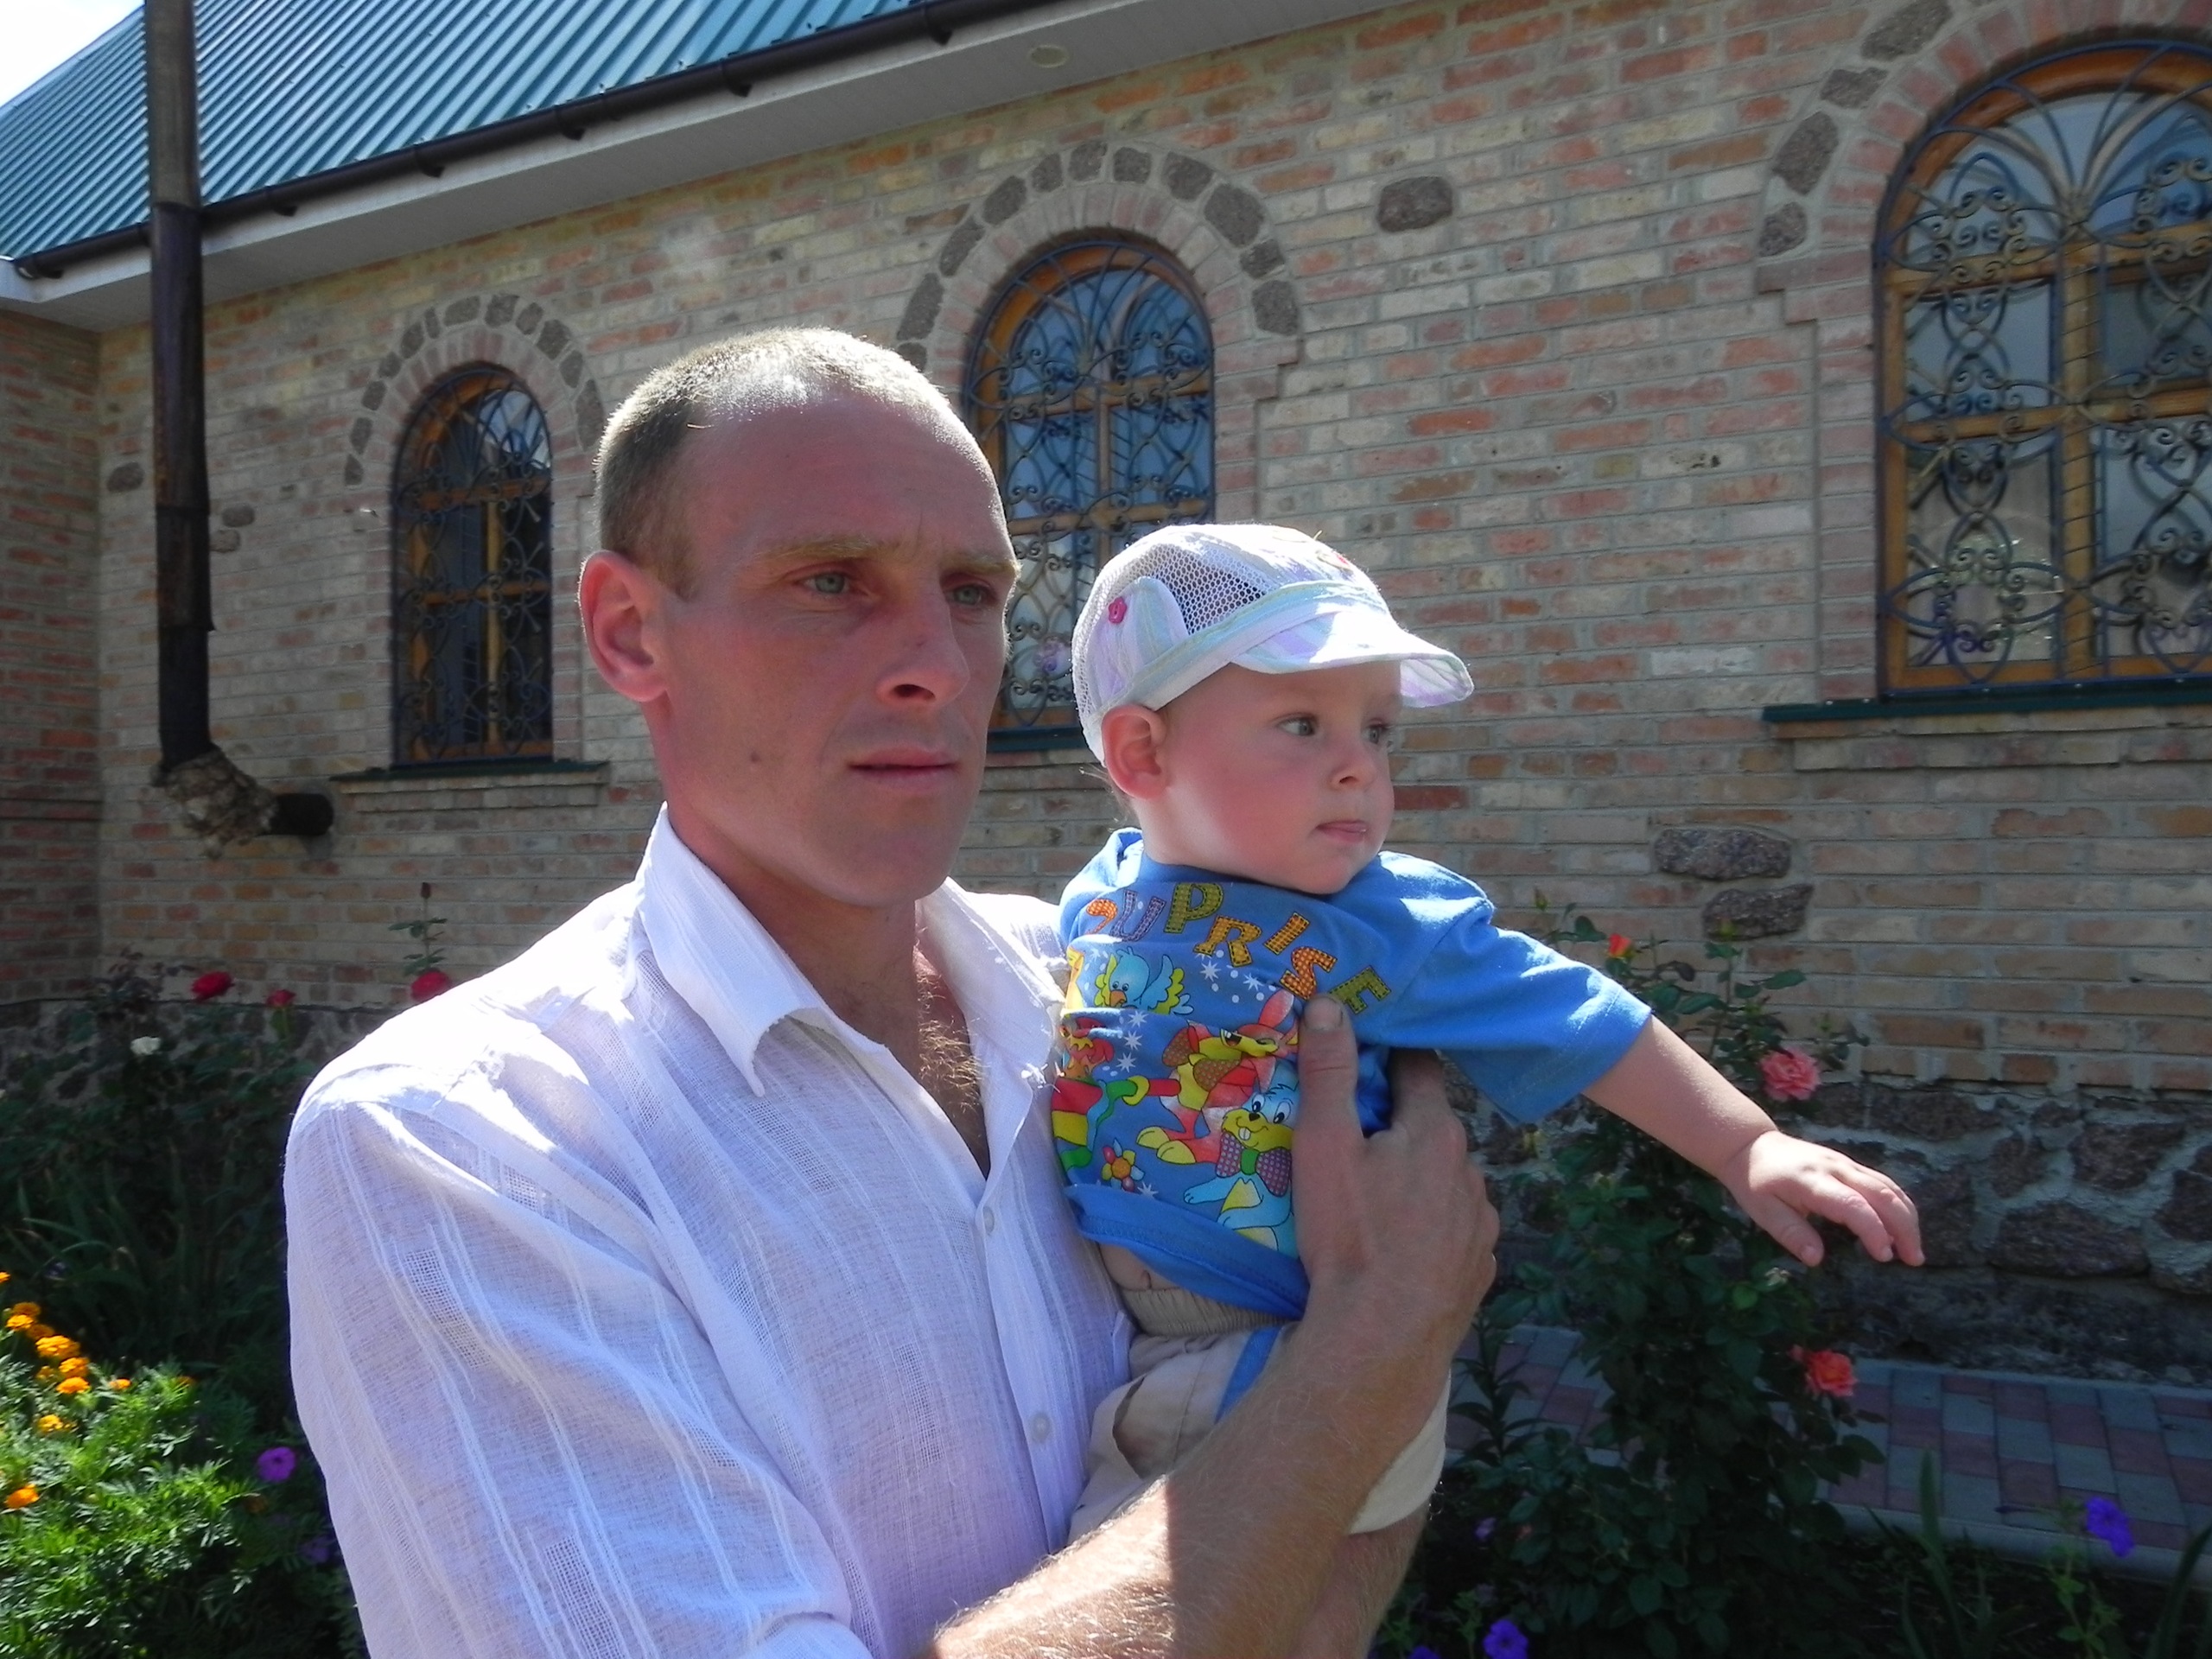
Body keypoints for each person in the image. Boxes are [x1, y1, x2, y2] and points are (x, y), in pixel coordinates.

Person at [286, 328, 1497, 1658]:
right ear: (632, 634)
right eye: (830, 583)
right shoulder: (471, 1139)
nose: (939, 664)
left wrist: (1356, 1383)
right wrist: (1366, 1362)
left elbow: (1305, 1615)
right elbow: (1333, 1438)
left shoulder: (1124, 1009)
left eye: (973, 592)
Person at [1051, 523, 1924, 1540]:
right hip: (1137, 1330)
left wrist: (1744, 1145)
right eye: (1301, 724)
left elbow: (1578, 1016)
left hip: (1282, 1338)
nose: (1357, 768)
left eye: (1377, 731)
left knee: (1166, 1582)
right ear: (1142, 751)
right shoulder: (1103, 892)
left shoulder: (1386, 922)